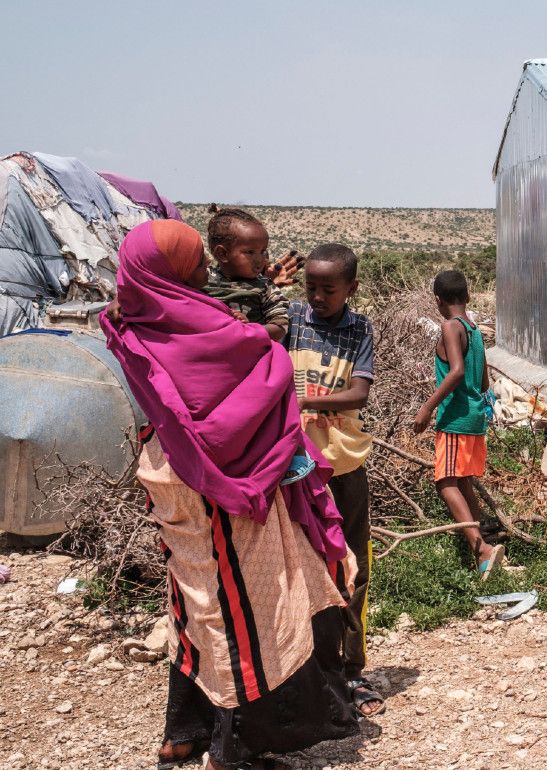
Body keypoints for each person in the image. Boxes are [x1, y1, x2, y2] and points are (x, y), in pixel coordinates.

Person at [101, 221, 357, 770]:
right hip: (221, 482)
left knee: (194, 602)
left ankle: (182, 732)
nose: (202, 272)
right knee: (243, 610)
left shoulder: (134, 317)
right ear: (171, 271)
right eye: (195, 262)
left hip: (169, 471)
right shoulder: (199, 326)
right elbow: (262, 363)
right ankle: (232, 750)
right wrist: (269, 347)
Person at [284, 243, 384, 717]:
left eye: (328, 289)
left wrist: (302, 404)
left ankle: (351, 670)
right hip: (292, 469)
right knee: (299, 571)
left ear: (351, 289)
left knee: (353, 570)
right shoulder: (292, 320)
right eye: (311, 287)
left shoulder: (359, 328)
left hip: (342, 466)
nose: (318, 297)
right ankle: (305, 672)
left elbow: (359, 393)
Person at [413, 270, 504, 579]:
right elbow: (483, 379)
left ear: (438, 301)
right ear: (468, 296)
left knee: (445, 482)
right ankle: (481, 541)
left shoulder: (451, 327)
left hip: (455, 419)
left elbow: (456, 372)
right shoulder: (474, 329)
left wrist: (426, 409)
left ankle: (481, 549)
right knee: (462, 479)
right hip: (475, 415)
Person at [202, 205, 291, 341]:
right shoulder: (203, 279)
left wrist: (249, 330)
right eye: (250, 252)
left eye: (263, 251)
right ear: (223, 254)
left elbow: (281, 326)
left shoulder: (265, 287)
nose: (261, 259)